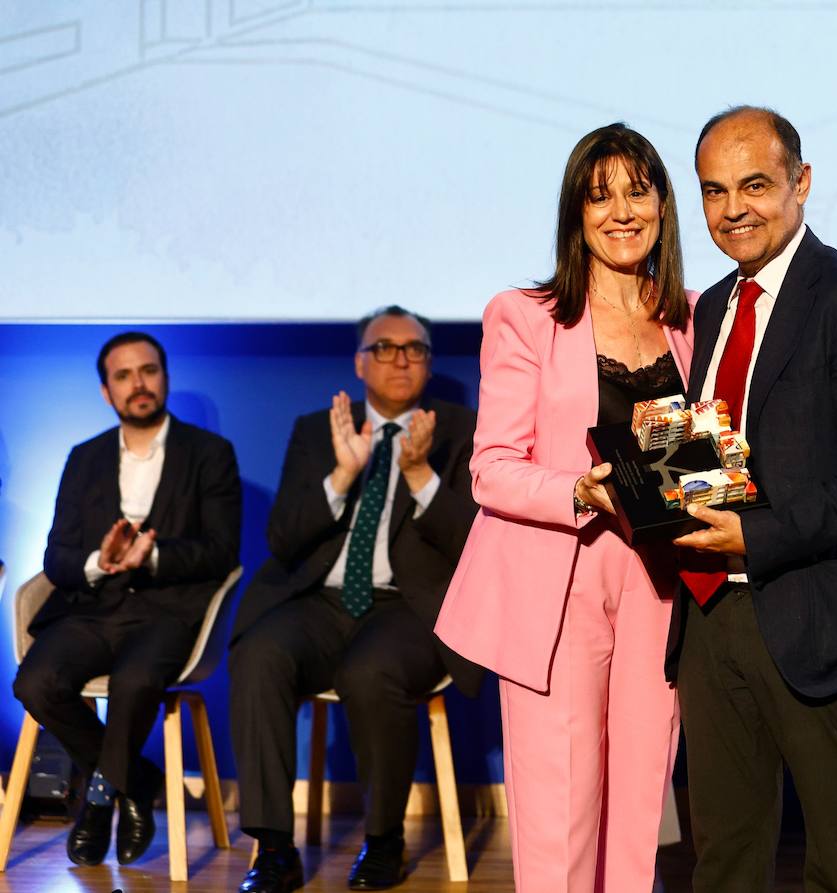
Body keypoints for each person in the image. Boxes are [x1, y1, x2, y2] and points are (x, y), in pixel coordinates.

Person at [668, 105, 837, 892]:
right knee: (723, 857)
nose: (733, 209)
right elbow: (714, 454)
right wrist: (648, 484)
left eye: (754, 185)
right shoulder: (713, 305)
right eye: (714, 191)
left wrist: (757, 537)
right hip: (713, 615)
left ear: (802, 182)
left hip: (824, 616)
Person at [433, 123, 692, 891]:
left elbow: (693, 455)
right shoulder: (527, 315)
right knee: (561, 804)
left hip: (663, 581)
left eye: (637, 191)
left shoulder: (689, 315)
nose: (621, 210)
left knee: (642, 797)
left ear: (662, 204)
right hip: (561, 580)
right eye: (598, 193)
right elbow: (491, 469)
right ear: (575, 212)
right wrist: (582, 489)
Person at [229, 305, 484, 893]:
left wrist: (420, 475)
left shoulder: (462, 429)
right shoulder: (317, 430)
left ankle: (384, 841)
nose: (400, 359)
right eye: (385, 348)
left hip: (408, 609)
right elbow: (283, 539)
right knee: (260, 654)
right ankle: (271, 850)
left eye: (414, 349)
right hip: (320, 601)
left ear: (429, 361)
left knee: (370, 671)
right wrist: (342, 477)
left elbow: (475, 543)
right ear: (359, 363)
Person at [12, 331, 242, 868]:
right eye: (123, 375)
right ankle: (135, 781)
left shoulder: (210, 454)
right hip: (90, 608)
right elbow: (57, 557)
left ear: (164, 377)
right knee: (35, 683)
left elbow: (221, 551)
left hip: (168, 611)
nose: (138, 384)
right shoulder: (84, 457)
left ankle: (96, 802)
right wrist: (103, 561)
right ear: (106, 391)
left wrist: (152, 558)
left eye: (148, 371)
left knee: (136, 682)